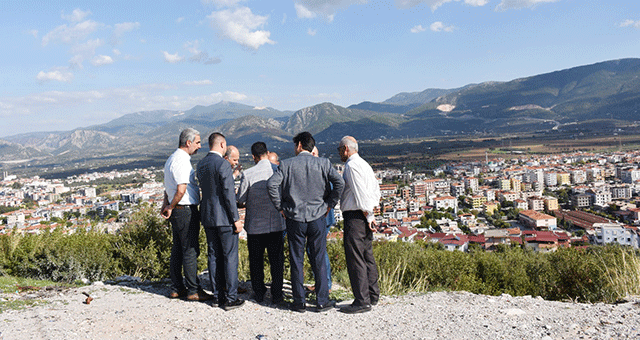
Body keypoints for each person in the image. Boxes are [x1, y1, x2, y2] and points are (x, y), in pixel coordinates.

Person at [267, 132, 344, 313]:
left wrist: (280, 207)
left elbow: (271, 185)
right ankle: (322, 301)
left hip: (294, 218)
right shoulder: (324, 163)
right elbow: (339, 183)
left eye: (295, 145)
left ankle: (299, 302)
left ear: (300, 145)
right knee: (319, 259)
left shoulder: (286, 164)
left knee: (296, 260)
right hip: (318, 217)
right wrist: (329, 205)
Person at [196, 132, 245, 311]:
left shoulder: (201, 164)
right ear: (222, 145)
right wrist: (236, 219)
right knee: (230, 257)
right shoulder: (223, 164)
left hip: (208, 217)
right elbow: (228, 194)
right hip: (224, 218)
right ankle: (231, 298)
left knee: (213, 256)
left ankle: (217, 296)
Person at [161, 128, 211, 301]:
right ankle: (193, 290)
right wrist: (171, 206)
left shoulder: (171, 159)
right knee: (190, 250)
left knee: (177, 249)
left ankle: (176, 287)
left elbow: (169, 187)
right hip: (184, 209)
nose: (199, 146)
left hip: (176, 209)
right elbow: (181, 189)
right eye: (197, 142)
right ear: (188, 143)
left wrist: (167, 205)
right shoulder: (182, 161)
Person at [236, 142, 286, 304]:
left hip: (256, 225)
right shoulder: (278, 170)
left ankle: (259, 292)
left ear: (253, 157)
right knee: (276, 261)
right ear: (267, 152)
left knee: (256, 261)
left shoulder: (248, 174)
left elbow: (241, 199)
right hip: (276, 224)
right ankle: (277, 294)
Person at [337, 136, 381, 314]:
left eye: (340, 149)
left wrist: (368, 214)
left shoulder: (352, 166)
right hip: (365, 214)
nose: (339, 153)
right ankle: (372, 294)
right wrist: (371, 214)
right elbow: (374, 190)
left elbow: (360, 193)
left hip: (356, 216)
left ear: (346, 149)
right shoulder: (365, 164)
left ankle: (362, 300)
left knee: (356, 258)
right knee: (367, 255)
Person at [306, 146, 334, 292]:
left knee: (319, 251)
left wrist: (329, 206)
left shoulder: (323, 169)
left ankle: (326, 285)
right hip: (319, 217)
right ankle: (320, 283)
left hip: (323, 217)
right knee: (313, 250)